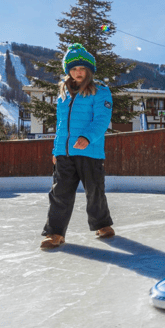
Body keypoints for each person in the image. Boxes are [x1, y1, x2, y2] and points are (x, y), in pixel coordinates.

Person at [40, 43, 115, 249]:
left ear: (89, 70)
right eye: (73, 69)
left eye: (81, 68)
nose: (77, 72)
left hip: (89, 150)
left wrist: (87, 137)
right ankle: (55, 233)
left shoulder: (100, 91)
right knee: (59, 193)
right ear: (68, 71)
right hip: (65, 152)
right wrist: (56, 150)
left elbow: (102, 119)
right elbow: (60, 125)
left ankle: (102, 224)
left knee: (94, 190)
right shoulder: (63, 95)